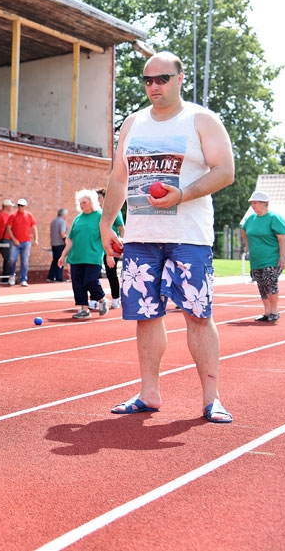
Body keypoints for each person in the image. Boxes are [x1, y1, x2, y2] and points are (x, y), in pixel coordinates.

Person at [99, 51, 235, 424]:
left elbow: (225, 171)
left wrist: (182, 194)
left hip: (188, 236)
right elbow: (118, 177)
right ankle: (149, 393)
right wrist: (107, 223)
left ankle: (212, 399)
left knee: (197, 315)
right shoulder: (133, 123)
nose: (154, 86)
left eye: (162, 78)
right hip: (141, 236)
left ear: (180, 78)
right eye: (147, 80)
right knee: (145, 317)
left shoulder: (201, 119)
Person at [58, 190, 109, 319]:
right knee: (77, 283)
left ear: (91, 202)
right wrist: (63, 255)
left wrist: (109, 254)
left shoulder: (100, 216)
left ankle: (102, 299)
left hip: (93, 255)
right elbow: (70, 239)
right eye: (80, 203)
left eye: (84, 202)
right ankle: (84, 309)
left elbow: (107, 235)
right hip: (76, 256)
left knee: (90, 280)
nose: (82, 205)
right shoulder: (78, 219)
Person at [240, 191, 285, 322]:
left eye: (255, 203)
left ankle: (274, 311)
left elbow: (283, 238)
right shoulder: (251, 219)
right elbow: (243, 230)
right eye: (251, 203)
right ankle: (267, 312)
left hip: (272, 258)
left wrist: (283, 257)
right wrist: (247, 245)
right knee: (261, 285)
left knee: (270, 282)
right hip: (256, 259)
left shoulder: (274, 218)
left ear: (264, 203)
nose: (252, 205)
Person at [96, 188, 125, 309]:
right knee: (94, 274)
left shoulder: (114, 211)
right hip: (98, 247)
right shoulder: (96, 213)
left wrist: (122, 246)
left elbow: (122, 229)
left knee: (111, 273)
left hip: (112, 247)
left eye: (99, 198)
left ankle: (116, 298)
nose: (97, 201)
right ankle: (95, 299)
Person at [5, 198, 38, 286]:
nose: (20, 207)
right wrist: (14, 239)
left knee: (25, 261)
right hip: (15, 242)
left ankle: (23, 279)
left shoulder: (29, 215)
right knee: (12, 259)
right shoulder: (13, 215)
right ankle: (12, 276)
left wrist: (36, 239)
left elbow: (34, 227)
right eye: (19, 205)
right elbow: (8, 228)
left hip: (26, 242)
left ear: (25, 206)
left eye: (22, 205)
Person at [0, 199, 15, 277]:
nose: (11, 208)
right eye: (10, 206)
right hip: (2, 239)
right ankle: (7, 277)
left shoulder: (9, 215)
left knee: (11, 258)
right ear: (7, 207)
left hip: (9, 240)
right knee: (8, 257)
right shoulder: (0, 215)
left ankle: (9, 276)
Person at [47, 208, 68, 282]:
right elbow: (62, 232)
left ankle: (51, 276)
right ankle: (59, 277)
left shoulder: (53, 221)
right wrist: (66, 241)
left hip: (53, 244)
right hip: (60, 244)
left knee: (55, 260)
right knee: (60, 260)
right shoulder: (62, 222)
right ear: (63, 214)